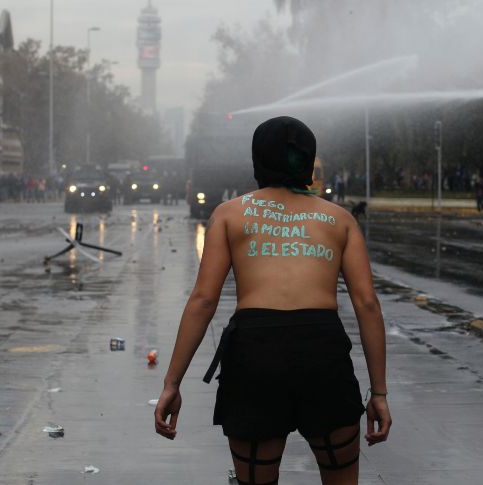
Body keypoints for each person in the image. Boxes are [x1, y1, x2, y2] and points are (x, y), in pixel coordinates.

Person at [154, 116, 391, 485]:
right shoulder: (339, 220)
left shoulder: (229, 215)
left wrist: (172, 382)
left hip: (254, 354)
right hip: (323, 354)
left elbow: (203, 300)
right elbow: (367, 304)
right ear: (308, 161)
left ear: (257, 161)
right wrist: (378, 392)